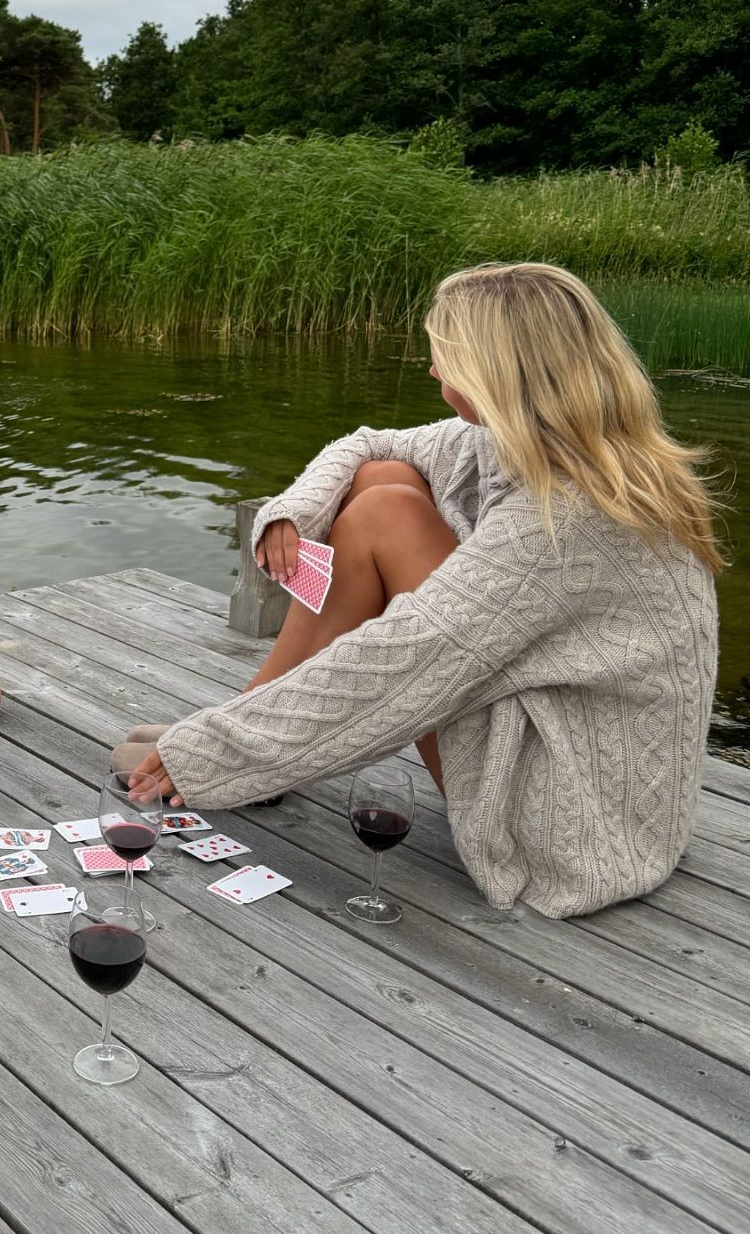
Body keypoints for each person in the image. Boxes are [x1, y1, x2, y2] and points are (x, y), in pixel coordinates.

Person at [127, 262, 721, 919]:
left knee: (386, 516)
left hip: (571, 834)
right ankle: (253, 714)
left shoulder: (565, 525)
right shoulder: (551, 449)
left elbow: (401, 663)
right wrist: (295, 511)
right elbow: (367, 444)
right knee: (385, 478)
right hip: (600, 779)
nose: (433, 371)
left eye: (445, 355)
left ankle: (248, 733)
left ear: (494, 371)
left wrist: (212, 754)